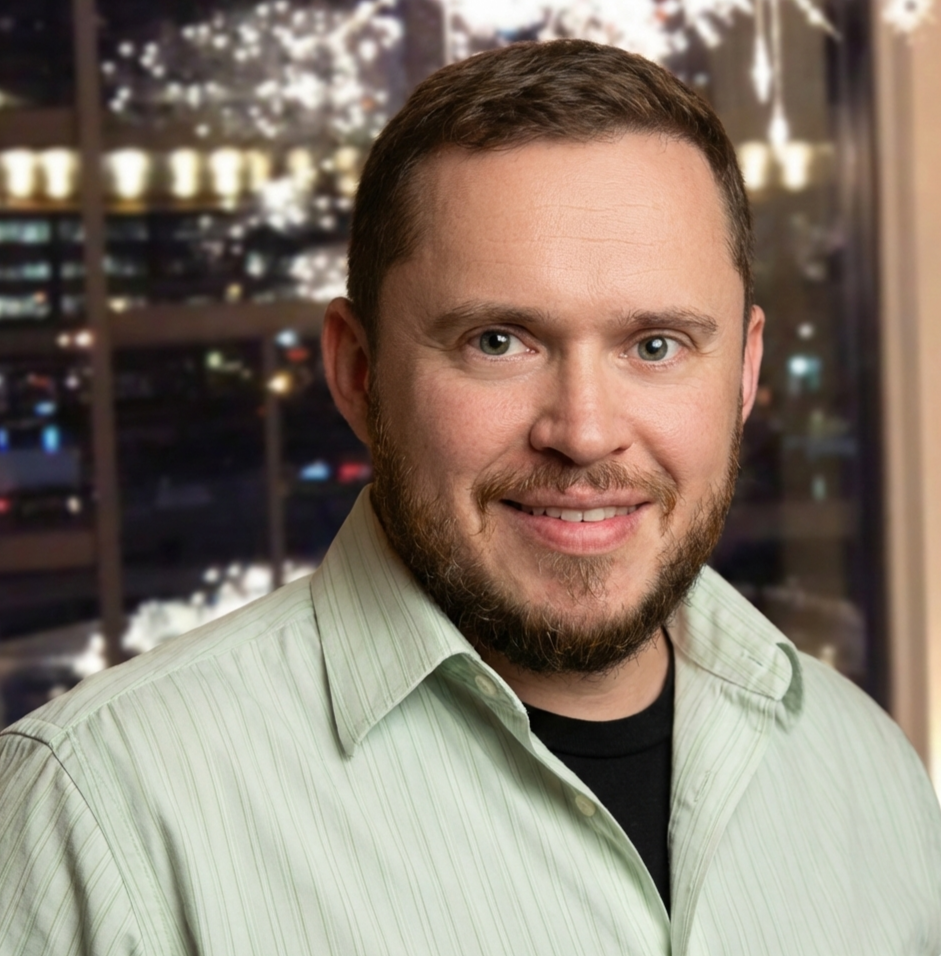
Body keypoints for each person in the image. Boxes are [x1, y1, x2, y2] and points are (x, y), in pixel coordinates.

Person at [1, 39, 939, 956]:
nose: (581, 432)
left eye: (655, 345)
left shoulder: (866, 771)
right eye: (499, 341)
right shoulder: (99, 813)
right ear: (358, 373)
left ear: (742, 373)